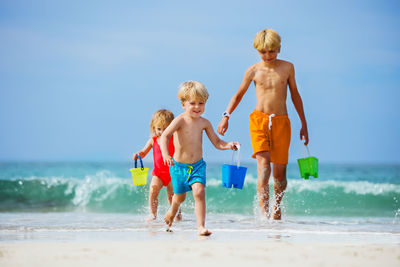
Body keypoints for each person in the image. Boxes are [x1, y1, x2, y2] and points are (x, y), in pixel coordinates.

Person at [217, 28, 309, 220]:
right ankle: (264, 213)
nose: (268, 55)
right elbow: (238, 94)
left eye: (272, 51)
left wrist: (304, 123)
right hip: (259, 121)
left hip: (281, 122)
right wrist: (226, 115)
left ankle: (277, 208)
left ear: (279, 49)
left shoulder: (288, 68)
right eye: (263, 52)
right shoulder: (253, 70)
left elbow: (295, 96)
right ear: (257, 51)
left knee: (280, 177)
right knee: (264, 166)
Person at [160, 81, 239, 236]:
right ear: (183, 104)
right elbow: (165, 135)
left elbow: (217, 142)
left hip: (197, 166)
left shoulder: (204, 123)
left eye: (201, 103)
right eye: (192, 103)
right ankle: (172, 211)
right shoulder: (180, 120)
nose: (197, 107)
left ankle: (200, 227)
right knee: (179, 197)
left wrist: (229, 145)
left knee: (199, 191)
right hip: (178, 167)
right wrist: (165, 154)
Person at [133, 109, 182, 221]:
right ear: (154, 128)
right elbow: (143, 152)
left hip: (172, 172)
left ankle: (176, 213)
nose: (162, 132)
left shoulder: (174, 139)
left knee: (172, 196)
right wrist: (137, 155)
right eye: (159, 129)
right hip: (158, 173)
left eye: (165, 129)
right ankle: (153, 214)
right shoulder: (153, 140)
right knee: (153, 191)